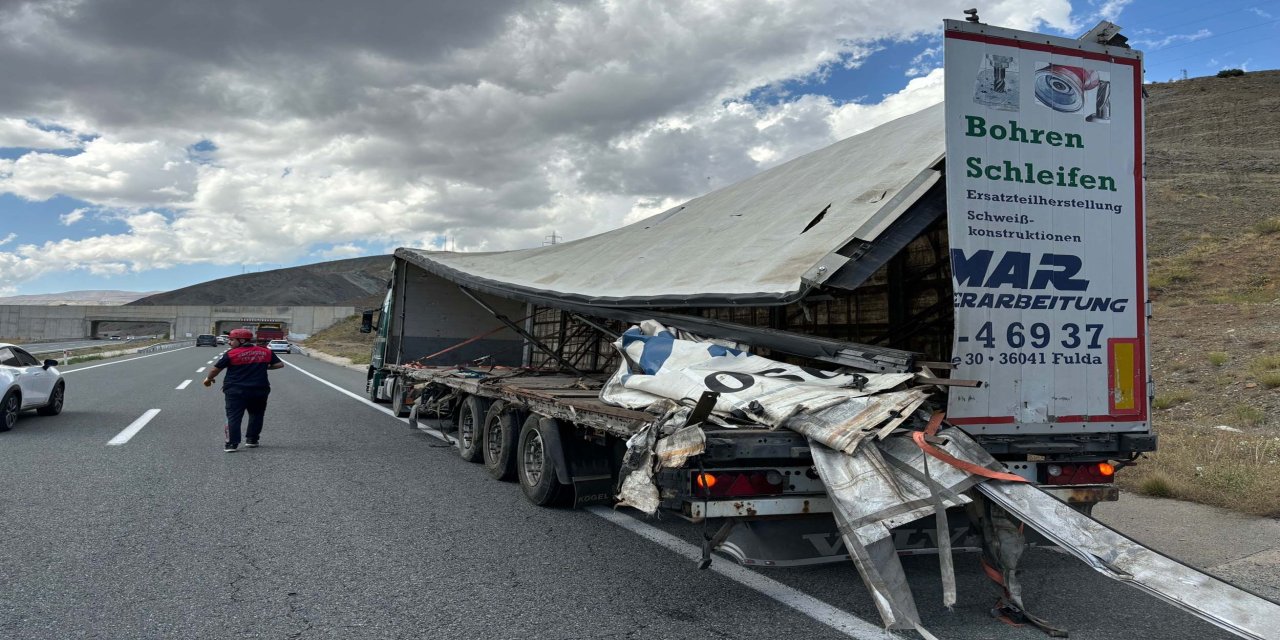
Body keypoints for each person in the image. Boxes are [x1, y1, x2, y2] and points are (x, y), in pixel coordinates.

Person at [203, 328, 283, 452]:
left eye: (232, 340)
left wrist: (209, 378)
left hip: (236, 390)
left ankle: (232, 444)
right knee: (256, 414)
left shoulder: (231, 353)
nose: (229, 342)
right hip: (259, 390)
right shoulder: (265, 352)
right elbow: (279, 364)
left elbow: (215, 369)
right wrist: (262, 367)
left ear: (241, 340)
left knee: (233, 416)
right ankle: (252, 440)